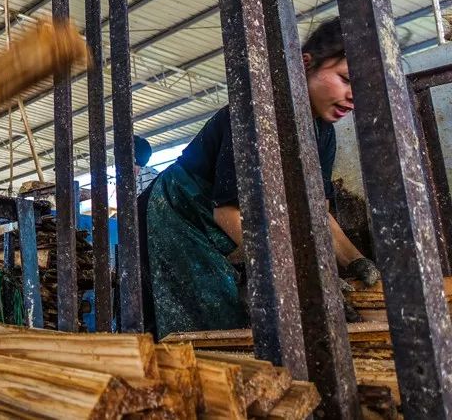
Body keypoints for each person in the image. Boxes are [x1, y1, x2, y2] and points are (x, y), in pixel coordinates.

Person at [142, 18, 380, 338]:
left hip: (223, 224)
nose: (354, 97)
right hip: (179, 210)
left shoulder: (322, 134)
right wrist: (301, 274)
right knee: (212, 319)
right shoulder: (256, 113)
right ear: (305, 64)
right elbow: (228, 212)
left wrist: (356, 261)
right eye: (346, 79)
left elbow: (316, 213)